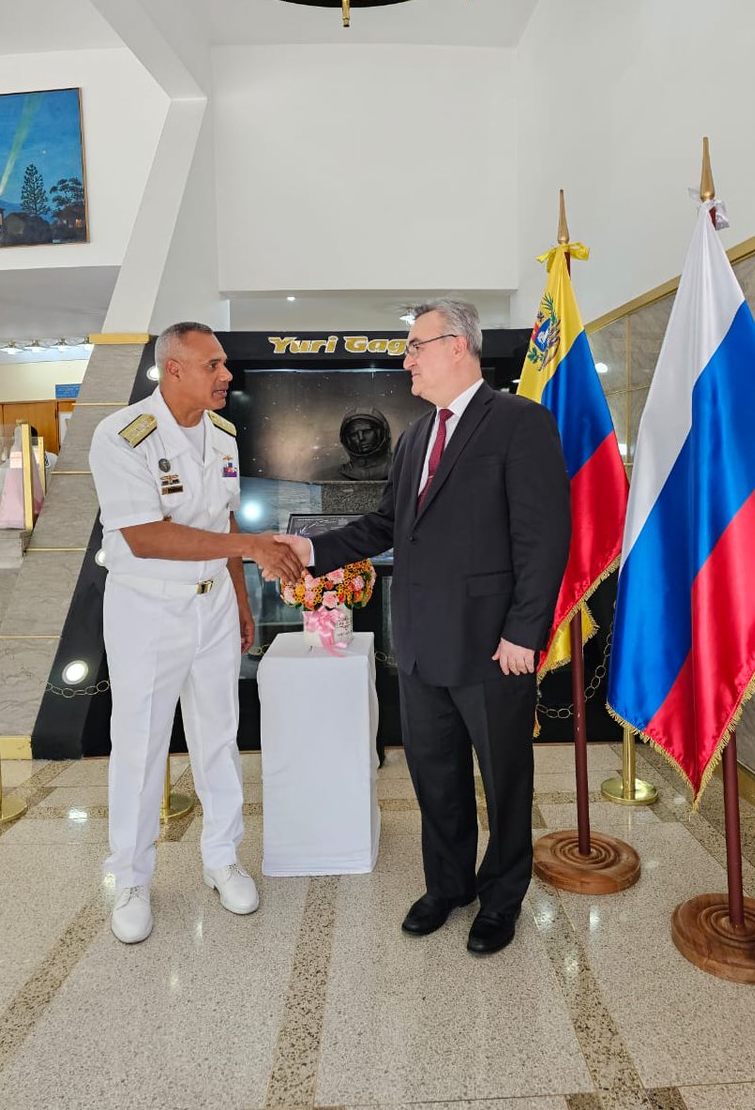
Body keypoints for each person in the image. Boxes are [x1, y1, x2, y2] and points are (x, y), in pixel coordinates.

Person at [276, 300, 570, 955]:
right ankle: (448, 886)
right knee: (434, 776)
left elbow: (543, 536)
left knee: (504, 779)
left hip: (494, 647)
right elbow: (385, 525)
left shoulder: (520, 422)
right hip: (419, 643)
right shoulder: (414, 437)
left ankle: (501, 898)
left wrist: (525, 631)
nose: (405, 359)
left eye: (415, 346)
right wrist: (311, 551)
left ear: (458, 346)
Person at [89, 321, 302, 944]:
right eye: (213, 365)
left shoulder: (224, 435)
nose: (226, 375)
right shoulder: (122, 437)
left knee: (218, 735)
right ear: (172, 369)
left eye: (224, 364)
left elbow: (222, 518)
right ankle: (129, 876)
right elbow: (145, 536)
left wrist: (240, 599)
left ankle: (221, 857)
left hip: (212, 608)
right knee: (139, 744)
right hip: (146, 610)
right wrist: (249, 545)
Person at [336, 407, 392, 480]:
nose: (361, 438)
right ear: (347, 440)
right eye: (354, 434)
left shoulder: (402, 466)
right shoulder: (337, 474)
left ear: (381, 433)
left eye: (367, 431)